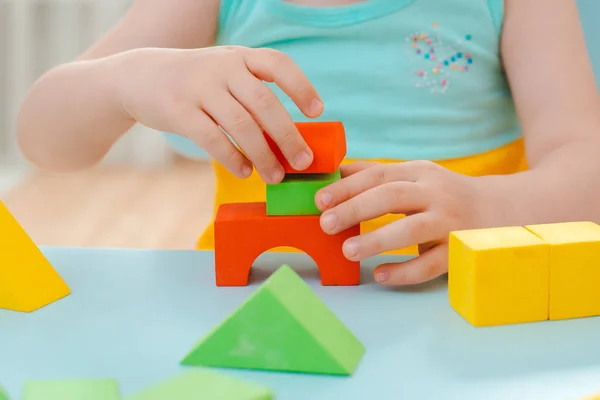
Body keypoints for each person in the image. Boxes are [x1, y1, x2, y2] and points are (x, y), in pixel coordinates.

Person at [16, 0, 600, 286]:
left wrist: (492, 207)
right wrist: (128, 78)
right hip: (253, 307)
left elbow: (586, 164)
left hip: (462, 303)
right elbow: (43, 139)